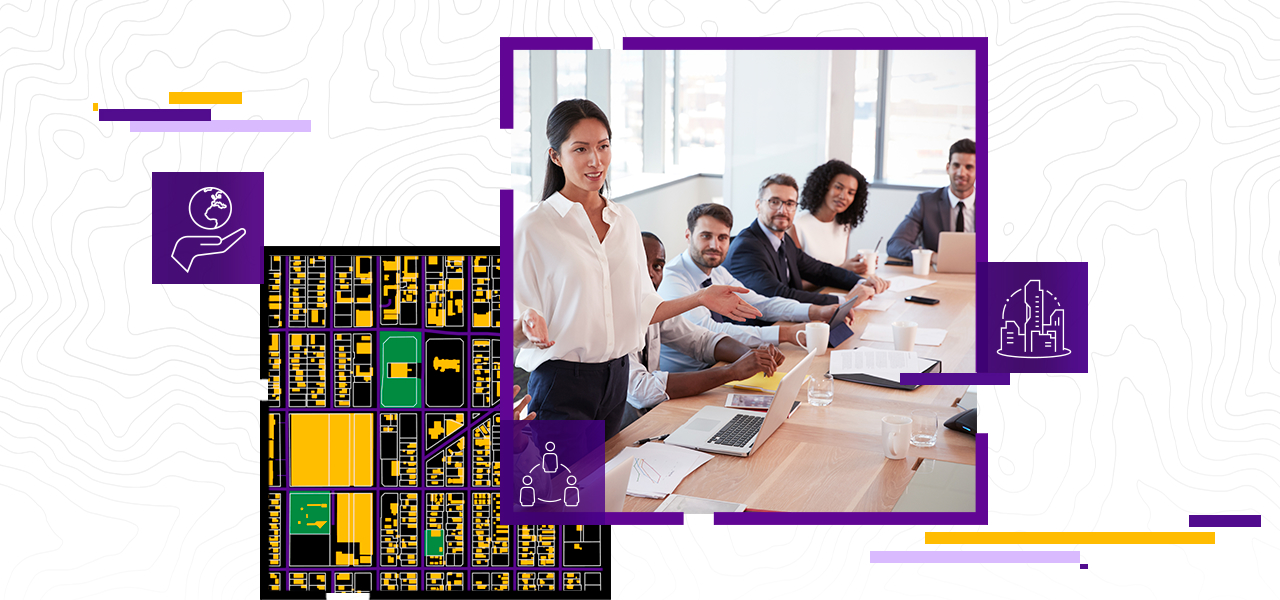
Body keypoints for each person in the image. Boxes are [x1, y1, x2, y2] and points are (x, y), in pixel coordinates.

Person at [513, 98, 762, 441]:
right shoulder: (533, 227)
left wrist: (702, 297)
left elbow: (644, 308)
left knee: (607, 488)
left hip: (616, 379)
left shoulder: (624, 220)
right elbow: (513, 327)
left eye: (603, 146)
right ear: (556, 156)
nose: (595, 160)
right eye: (581, 149)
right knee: (563, 492)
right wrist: (526, 324)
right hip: (563, 384)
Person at [658, 203, 864, 373]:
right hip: (690, 378)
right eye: (706, 236)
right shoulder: (673, 279)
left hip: (721, 366)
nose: (715, 245)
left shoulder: (717, 272)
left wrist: (816, 310)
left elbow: (760, 303)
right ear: (688, 236)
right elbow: (711, 331)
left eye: (722, 238)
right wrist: (785, 333)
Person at [621, 232, 785, 429]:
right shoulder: (613, 319)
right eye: (640, 264)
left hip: (654, 416)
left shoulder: (654, 307)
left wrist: (752, 357)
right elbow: (641, 390)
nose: (650, 274)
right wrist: (731, 372)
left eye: (657, 266)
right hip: (617, 428)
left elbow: (702, 340)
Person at [724, 173, 876, 306]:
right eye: (774, 202)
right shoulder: (746, 248)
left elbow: (821, 271)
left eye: (790, 203)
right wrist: (845, 300)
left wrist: (861, 282)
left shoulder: (783, 240)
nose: (783, 210)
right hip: (757, 331)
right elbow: (779, 295)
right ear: (758, 205)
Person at [788, 159, 887, 292]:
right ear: (824, 186)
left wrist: (855, 267)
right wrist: (842, 271)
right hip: (811, 302)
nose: (843, 196)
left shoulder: (844, 225)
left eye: (850, 193)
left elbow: (838, 266)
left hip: (834, 293)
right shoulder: (796, 225)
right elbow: (796, 285)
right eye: (838, 187)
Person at [886, 138, 977, 259]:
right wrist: (932, 257)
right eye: (956, 165)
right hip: (937, 274)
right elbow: (895, 243)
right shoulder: (927, 202)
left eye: (969, 167)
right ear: (947, 168)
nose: (961, 173)